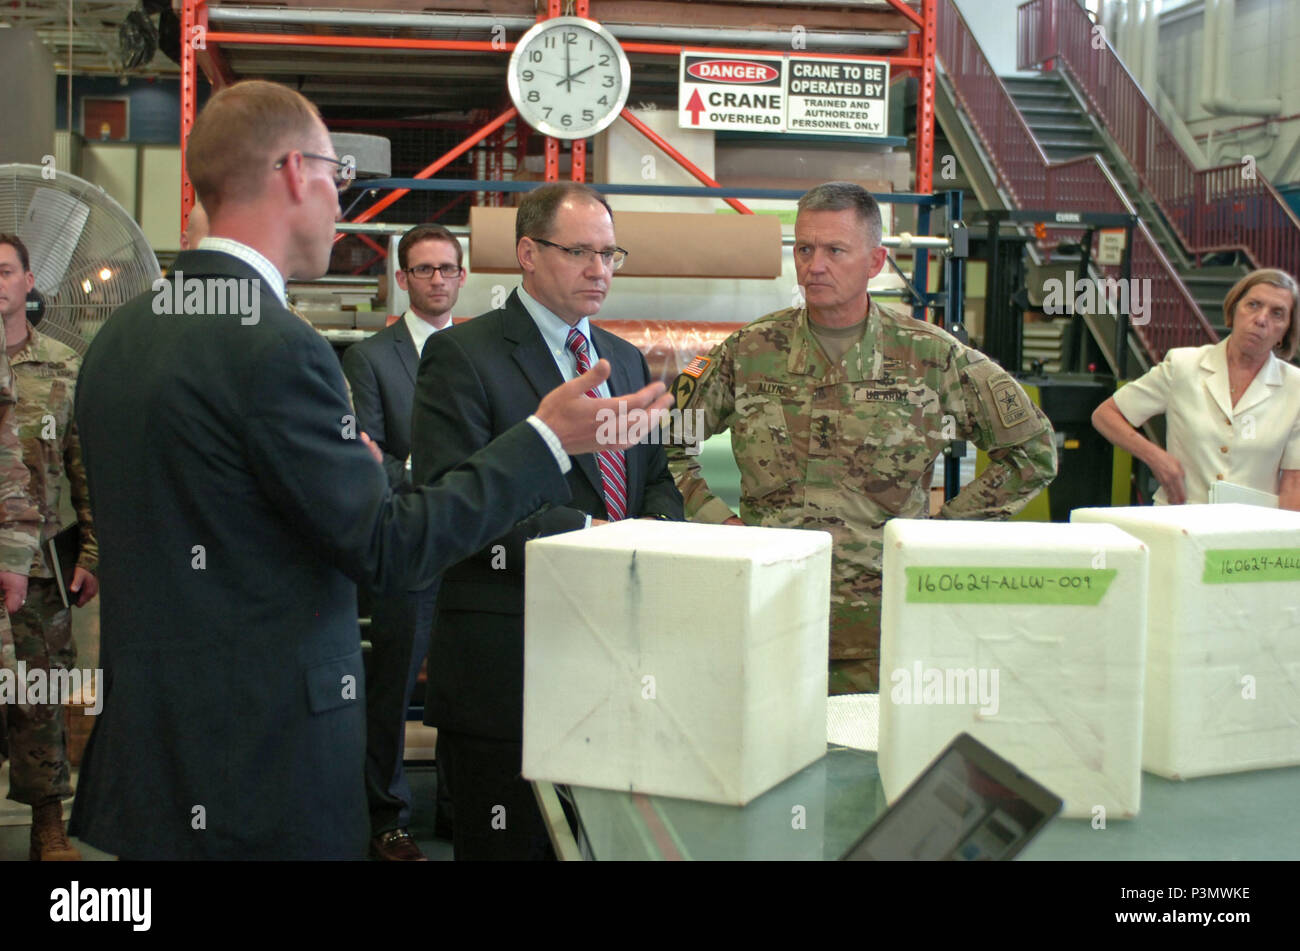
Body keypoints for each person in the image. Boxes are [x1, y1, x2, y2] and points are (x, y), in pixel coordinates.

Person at [67, 81, 673, 861]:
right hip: (263, 770)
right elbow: (390, 550)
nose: (339, 204)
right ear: (293, 173)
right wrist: (544, 439)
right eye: (336, 175)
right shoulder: (278, 347)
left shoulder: (120, 339)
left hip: (153, 767)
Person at [666, 182, 1057, 695]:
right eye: (804, 249)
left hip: (881, 632)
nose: (815, 266)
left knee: (869, 763)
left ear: (875, 262)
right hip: (766, 614)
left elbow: (1032, 453)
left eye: (834, 250)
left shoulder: (932, 357)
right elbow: (665, 446)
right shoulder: (749, 351)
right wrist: (724, 523)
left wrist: (940, 536)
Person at [410, 181, 684, 861]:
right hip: (511, 669)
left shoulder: (621, 358)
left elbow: (652, 479)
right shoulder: (462, 357)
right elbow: (451, 503)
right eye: (580, 252)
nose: (601, 270)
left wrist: (658, 532)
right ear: (527, 253)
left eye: (611, 253)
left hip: (619, 658)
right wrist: (593, 539)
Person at [342, 224, 466, 860]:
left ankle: (457, 809)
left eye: (447, 269)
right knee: (390, 687)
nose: (437, 280)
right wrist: (435, 474)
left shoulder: (479, 351)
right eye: (424, 270)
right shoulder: (369, 357)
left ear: (462, 277)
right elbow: (368, 458)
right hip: (405, 545)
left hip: (473, 549)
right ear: (404, 278)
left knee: (464, 686)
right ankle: (387, 817)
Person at [1092, 268, 1300, 508]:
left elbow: (1294, 484)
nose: (1261, 319)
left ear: (1285, 332)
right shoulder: (1183, 366)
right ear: (1234, 310)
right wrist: (1156, 458)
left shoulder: (1295, 388)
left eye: (1277, 314)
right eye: (1253, 305)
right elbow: (1105, 415)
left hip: (1250, 533)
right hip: (1178, 523)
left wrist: (1286, 542)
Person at [0, 234, 71, 860]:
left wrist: (96, 554)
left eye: (4, 271)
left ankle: (48, 824)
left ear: (28, 281)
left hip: (39, 565)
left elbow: (89, 464)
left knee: (38, 700)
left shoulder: (64, 365)